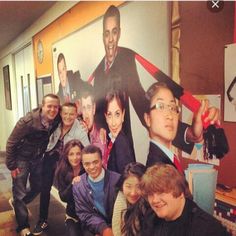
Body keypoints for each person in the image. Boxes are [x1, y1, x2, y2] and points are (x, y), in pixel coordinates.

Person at [93, 5, 196, 155]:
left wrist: (186, 134)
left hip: (123, 147)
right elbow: (98, 110)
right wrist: (101, 127)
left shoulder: (126, 59)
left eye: (114, 32)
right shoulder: (98, 72)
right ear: (103, 36)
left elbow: (141, 103)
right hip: (103, 150)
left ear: (119, 33)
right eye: (107, 33)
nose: (110, 39)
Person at [5, 94, 61, 236]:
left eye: (56, 107)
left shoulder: (55, 119)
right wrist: (11, 166)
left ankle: (18, 202)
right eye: (49, 106)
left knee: (38, 186)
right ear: (42, 106)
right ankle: (23, 226)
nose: (53, 109)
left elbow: (70, 114)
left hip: (37, 159)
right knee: (20, 192)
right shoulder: (27, 122)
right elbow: (11, 143)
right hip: (21, 160)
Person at [33, 102, 90, 235]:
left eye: (72, 114)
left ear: (76, 115)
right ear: (60, 113)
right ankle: (42, 220)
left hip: (64, 162)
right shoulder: (56, 122)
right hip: (50, 157)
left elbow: (86, 149)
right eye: (65, 113)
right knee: (44, 188)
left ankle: (73, 216)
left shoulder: (80, 129)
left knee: (66, 190)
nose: (68, 117)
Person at [144, 82, 219, 170]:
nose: (170, 115)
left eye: (172, 107)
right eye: (161, 106)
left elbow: (195, 135)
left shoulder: (168, 159)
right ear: (148, 119)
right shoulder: (157, 174)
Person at [140, 164, 229, 236]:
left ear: (181, 192)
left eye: (161, 192)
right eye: (150, 194)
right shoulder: (150, 217)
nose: (155, 200)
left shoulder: (207, 228)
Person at [73, 144, 120, 236]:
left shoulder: (117, 180)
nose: (91, 167)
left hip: (117, 225)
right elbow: (84, 214)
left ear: (102, 160)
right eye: (87, 164)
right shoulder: (78, 186)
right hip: (93, 227)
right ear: (82, 164)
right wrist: (102, 229)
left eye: (95, 162)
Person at [56, 139, 85, 236]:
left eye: (78, 153)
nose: (75, 157)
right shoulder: (62, 171)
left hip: (87, 213)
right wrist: (72, 184)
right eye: (71, 154)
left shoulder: (87, 169)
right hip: (72, 214)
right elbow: (63, 197)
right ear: (66, 156)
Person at [112, 162, 149, 236]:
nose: (133, 193)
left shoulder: (148, 207)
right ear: (122, 185)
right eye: (128, 186)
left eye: (138, 187)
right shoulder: (120, 197)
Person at [104, 89, 135, 174]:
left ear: (123, 115)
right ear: (106, 117)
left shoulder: (121, 142)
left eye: (117, 114)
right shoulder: (112, 138)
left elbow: (126, 179)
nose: (113, 123)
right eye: (110, 115)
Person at [80, 83, 107, 158]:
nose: (86, 113)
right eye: (84, 108)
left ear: (94, 109)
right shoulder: (78, 132)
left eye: (89, 107)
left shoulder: (100, 137)